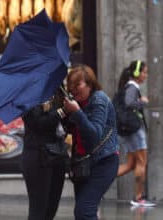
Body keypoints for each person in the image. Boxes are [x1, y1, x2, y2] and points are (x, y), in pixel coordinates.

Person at [62, 64, 119, 220]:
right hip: (83, 164)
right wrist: (66, 115)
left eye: (78, 84)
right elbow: (71, 131)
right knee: (81, 212)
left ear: (90, 83)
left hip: (103, 162)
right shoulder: (78, 102)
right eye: (71, 86)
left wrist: (77, 113)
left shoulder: (99, 99)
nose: (73, 89)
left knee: (85, 210)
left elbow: (94, 135)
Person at [20, 88, 69, 220]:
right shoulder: (28, 92)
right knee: (39, 210)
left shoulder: (57, 88)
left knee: (51, 208)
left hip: (57, 154)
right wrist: (62, 111)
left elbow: (64, 122)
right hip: (38, 156)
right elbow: (38, 122)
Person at [116, 60, 154, 207]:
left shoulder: (128, 87)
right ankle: (138, 198)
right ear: (137, 73)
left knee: (131, 164)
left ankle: (98, 181)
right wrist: (143, 101)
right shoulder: (132, 87)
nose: (145, 75)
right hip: (134, 130)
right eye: (144, 72)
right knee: (142, 162)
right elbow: (129, 103)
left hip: (128, 130)